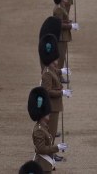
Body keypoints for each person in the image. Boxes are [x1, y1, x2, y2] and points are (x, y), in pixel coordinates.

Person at [39, 33, 72, 162]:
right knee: (50, 132)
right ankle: (51, 155)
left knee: (51, 131)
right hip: (52, 105)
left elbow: (54, 71)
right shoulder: (47, 73)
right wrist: (62, 93)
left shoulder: (50, 69)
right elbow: (47, 91)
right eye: (55, 60)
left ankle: (52, 153)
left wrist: (62, 71)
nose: (57, 62)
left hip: (55, 105)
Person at [27, 86, 68, 173]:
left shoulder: (44, 127)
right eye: (47, 113)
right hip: (42, 165)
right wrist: (57, 147)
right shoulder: (39, 130)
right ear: (42, 114)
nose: (49, 113)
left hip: (46, 165)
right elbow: (41, 149)